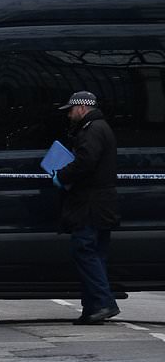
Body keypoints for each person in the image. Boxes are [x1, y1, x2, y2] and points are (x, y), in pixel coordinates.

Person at [51, 90, 120, 325]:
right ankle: (92, 309)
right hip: (102, 203)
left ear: (81, 108)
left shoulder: (92, 129)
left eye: (71, 110)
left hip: (90, 204)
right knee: (96, 254)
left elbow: (86, 161)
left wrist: (62, 175)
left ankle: (103, 302)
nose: (69, 115)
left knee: (84, 251)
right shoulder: (100, 127)